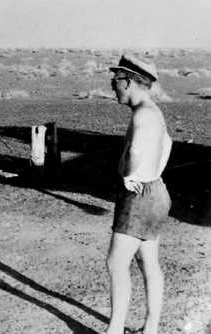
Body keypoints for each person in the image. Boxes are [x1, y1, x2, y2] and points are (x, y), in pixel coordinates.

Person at [104, 55, 172, 334]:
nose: (113, 86)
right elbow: (167, 144)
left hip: (140, 197)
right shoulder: (153, 110)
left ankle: (115, 330)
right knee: (148, 262)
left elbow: (135, 151)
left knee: (116, 263)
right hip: (156, 191)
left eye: (115, 80)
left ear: (129, 81)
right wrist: (152, 173)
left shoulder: (142, 113)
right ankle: (151, 328)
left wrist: (130, 175)